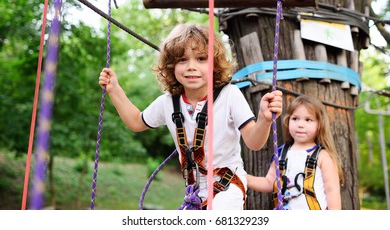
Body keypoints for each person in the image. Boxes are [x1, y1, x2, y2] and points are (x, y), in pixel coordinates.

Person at [98, 23, 283, 210]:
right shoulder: (168, 102)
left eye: (201, 59)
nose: (191, 67)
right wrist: (115, 90)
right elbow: (136, 122)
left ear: (215, 64)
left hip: (228, 186)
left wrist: (264, 119)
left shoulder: (230, 95)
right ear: (171, 66)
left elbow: (254, 142)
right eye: (182, 60)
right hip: (194, 192)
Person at [247, 95, 343, 210]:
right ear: (288, 121)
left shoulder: (322, 157)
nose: (300, 125)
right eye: (295, 119)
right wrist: (242, 177)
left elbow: (332, 190)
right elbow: (269, 182)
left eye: (308, 120)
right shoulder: (281, 153)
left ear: (319, 125)